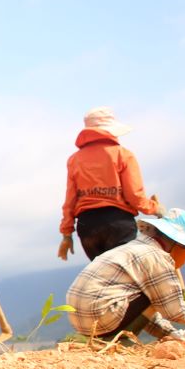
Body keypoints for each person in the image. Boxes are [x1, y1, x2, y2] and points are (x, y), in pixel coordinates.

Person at [66, 208, 185, 341]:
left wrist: (171, 333)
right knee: (160, 292)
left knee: (154, 292)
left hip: (85, 321)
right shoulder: (156, 258)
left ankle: (116, 341)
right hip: (102, 318)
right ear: (180, 246)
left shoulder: (133, 249)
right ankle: (119, 342)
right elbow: (177, 311)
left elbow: (143, 309)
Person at [58, 107, 162, 262]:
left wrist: (67, 234)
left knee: (104, 278)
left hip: (87, 227)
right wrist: (156, 209)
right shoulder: (123, 154)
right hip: (118, 222)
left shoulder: (74, 160)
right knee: (125, 278)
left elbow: (70, 201)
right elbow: (134, 196)